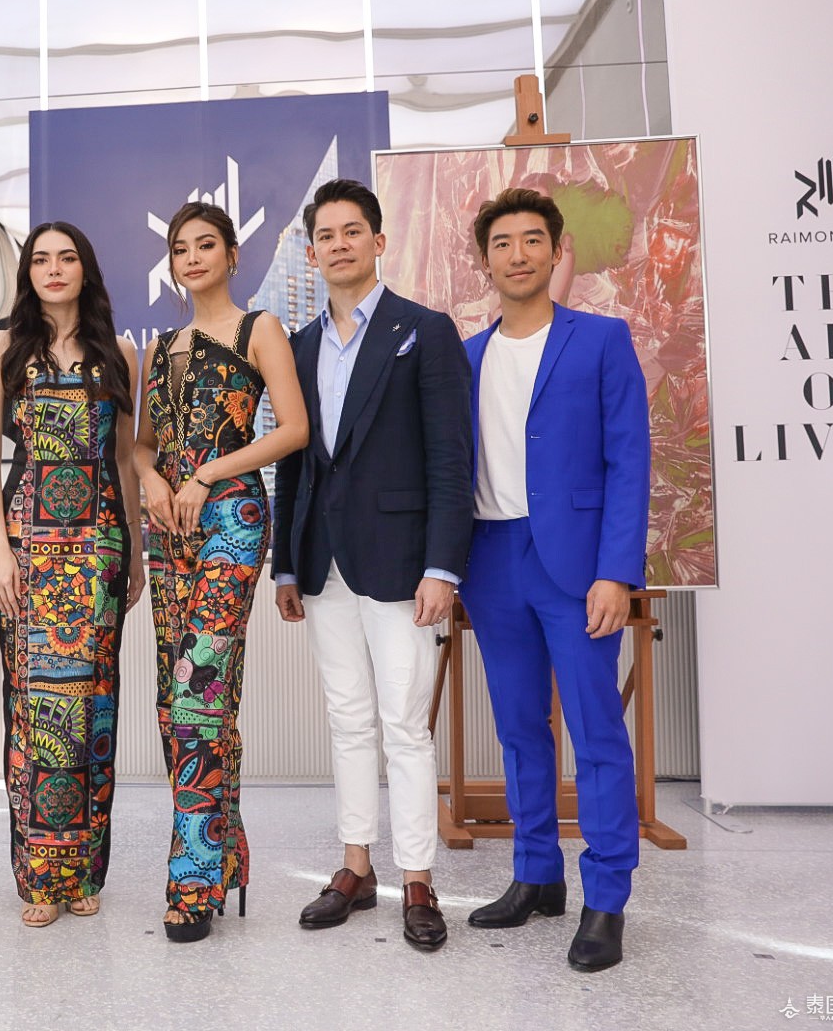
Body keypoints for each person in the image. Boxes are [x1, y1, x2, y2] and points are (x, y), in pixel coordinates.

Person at [270, 179, 473, 950]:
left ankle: (417, 879)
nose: (339, 245)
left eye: (352, 231)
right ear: (312, 252)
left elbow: (450, 459)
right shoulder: (300, 345)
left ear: (378, 242)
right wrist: (285, 566)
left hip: (401, 564)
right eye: (325, 235)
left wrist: (442, 567)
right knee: (348, 719)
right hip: (322, 565)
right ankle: (354, 867)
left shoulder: (424, 331)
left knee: (404, 726)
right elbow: (294, 461)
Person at [458, 188, 649, 972]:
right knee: (517, 728)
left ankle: (606, 898)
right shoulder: (466, 356)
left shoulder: (601, 340)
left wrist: (616, 573)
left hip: (576, 567)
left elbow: (629, 461)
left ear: (556, 249)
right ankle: (536, 875)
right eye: (502, 243)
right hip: (490, 560)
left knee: (596, 732)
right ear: (485, 259)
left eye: (532, 239)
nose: (518, 254)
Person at [134, 201, 308, 942]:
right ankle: (228, 845)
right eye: (182, 248)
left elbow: (293, 429)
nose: (194, 257)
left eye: (207, 245)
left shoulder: (257, 329)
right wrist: (150, 476)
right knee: (177, 702)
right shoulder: (159, 347)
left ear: (232, 255)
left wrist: (207, 474)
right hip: (168, 526)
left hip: (232, 518)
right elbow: (144, 444)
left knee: (198, 688)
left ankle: (195, 878)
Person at [0, 222, 144, 927]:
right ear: (28, 273)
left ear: (85, 269)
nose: (53, 269)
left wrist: (135, 552)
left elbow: (126, 459)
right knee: (34, 714)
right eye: (40, 259)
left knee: (93, 711)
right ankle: (40, 877)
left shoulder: (120, 352)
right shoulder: (2, 348)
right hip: (28, 552)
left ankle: (84, 871)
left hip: (100, 550)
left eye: (66, 258)